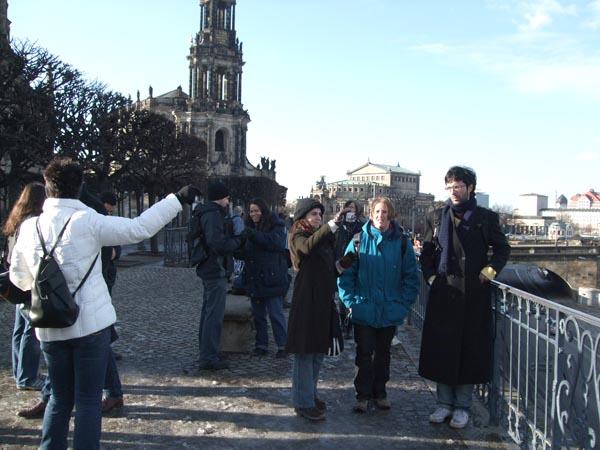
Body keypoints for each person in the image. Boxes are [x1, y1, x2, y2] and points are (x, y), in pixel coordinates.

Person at [9, 157, 198, 450]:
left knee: (59, 399)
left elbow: (19, 280)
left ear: (47, 186)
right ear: (80, 187)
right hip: (90, 327)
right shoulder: (89, 221)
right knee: (87, 401)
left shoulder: (30, 227)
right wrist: (176, 199)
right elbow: (139, 228)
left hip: (50, 328)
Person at [419, 166, 510, 429]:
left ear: (471, 188)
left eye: (458, 186)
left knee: (468, 351)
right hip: (444, 293)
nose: (453, 191)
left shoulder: (486, 217)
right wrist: (431, 277)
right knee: (443, 349)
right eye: (449, 187)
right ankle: (443, 403)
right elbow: (427, 253)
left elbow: (502, 249)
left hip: (472, 295)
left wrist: (489, 270)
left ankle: (462, 406)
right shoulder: (436, 216)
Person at [338, 197, 420, 413]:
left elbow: (411, 277)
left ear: (390, 215)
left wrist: (402, 305)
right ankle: (362, 395)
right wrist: (351, 303)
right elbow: (346, 275)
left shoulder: (402, 243)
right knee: (364, 353)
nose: (380, 216)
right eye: (377, 212)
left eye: (384, 212)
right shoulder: (357, 241)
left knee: (383, 354)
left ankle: (380, 392)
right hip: (364, 307)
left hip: (389, 308)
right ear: (371, 214)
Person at [285, 198, 343, 422]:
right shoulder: (298, 234)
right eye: (314, 214)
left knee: (318, 351)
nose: (318, 217)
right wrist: (330, 226)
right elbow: (306, 248)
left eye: (320, 214)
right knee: (305, 352)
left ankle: (309, 394)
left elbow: (328, 269)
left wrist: (346, 262)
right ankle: (302, 402)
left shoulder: (321, 237)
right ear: (303, 217)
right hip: (306, 301)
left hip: (322, 300)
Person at [3, 183, 47, 392]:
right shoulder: (32, 223)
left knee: (20, 329)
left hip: (16, 280)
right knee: (31, 329)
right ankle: (27, 377)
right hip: (28, 281)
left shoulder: (17, 220)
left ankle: (20, 371)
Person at [194, 181, 242, 371]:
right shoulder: (213, 215)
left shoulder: (206, 212)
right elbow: (218, 244)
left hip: (209, 268)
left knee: (208, 313)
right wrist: (238, 241)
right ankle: (209, 357)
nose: (228, 202)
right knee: (213, 316)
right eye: (227, 198)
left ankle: (207, 352)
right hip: (215, 268)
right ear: (221, 197)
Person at [240, 198, 289, 358]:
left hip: (272, 276)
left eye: (256, 210)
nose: (253, 214)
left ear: (263, 211)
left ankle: (283, 345)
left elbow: (274, 243)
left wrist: (253, 235)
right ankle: (261, 345)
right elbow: (246, 251)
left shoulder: (276, 225)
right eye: (251, 211)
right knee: (258, 315)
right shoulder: (249, 226)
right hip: (255, 276)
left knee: (275, 314)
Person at [333, 200, 364, 338]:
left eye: (353, 208)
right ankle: (342, 322)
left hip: (354, 262)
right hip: (339, 262)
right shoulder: (339, 225)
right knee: (341, 296)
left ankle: (349, 325)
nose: (350, 210)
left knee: (352, 295)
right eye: (348, 207)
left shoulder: (361, 226)